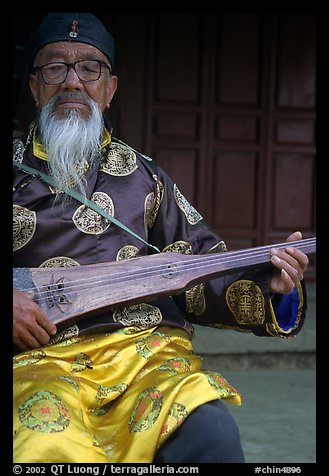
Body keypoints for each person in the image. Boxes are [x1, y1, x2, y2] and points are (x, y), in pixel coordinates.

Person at [13, 13, 310, 464]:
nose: (72, 82)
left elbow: (200, 267)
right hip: (38, 361)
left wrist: (271, 288)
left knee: (210, 433)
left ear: (109, 89)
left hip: (147, 355)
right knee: (44, 446)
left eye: (89, 68)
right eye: (55, 67)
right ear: (35, 87)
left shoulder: (146, 177)